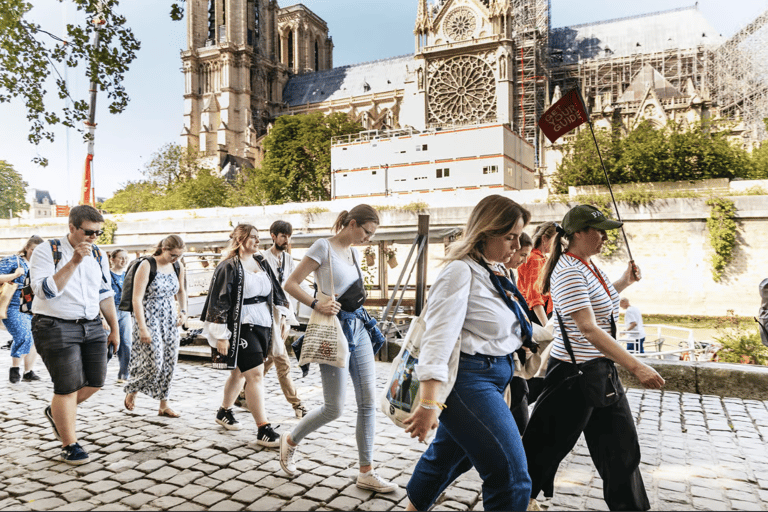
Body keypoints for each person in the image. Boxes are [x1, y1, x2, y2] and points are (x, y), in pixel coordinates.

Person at [523, 204, 665, 511]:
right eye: (598, 231)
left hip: (600, 370)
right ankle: (518, 499)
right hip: (573, 376)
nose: (604, 237)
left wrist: (624, 281)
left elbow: (598, 302)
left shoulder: (587, 264)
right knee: (542, 449)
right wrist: (636, 366)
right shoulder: (569, 272)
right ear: (578, 234)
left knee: (622, 451)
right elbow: (587, 327)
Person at [403, 195, 534, 511]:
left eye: (518, 237)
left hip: (495, 376)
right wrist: (429, 402)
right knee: (510, 476)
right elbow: (438, 338)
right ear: (486, 232)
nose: (517, 246)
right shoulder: (460, 271)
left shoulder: (495, 271)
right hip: (469, 381)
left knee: (448, 458)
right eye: (510, 237)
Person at [281, 204, 397, 493]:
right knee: (334, 408)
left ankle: (366, 471)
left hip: (358, 327)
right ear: (353, 223)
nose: (368, 239)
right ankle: (291, 440)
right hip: (333, 332)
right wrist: (315, 303)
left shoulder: (354, 253)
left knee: (368, 401)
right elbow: (291, 283)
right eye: (367, 232)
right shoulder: (323, 247)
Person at [29, 205, 119, 464]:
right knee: (67, 387)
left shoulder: (99, 254)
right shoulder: (48, 251)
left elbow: (105, 292)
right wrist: (74, 261)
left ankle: (56, 412)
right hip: (55, 325)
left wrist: (115, 328)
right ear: (72, 228)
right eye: (89, 232)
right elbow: (44, 292)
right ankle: (70, 444)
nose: (94, 238)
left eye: (99, 233)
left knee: (96, 381)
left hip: (92, 325)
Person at [201, 224, 289, 446]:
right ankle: (263, 429)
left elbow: (276, 291)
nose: (258, 241)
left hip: (263, 324)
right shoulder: (228, 266)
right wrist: (221, 334)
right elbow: (218, 300)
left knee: (240, 373)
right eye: (253, 237)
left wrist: (284, 317)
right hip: (242, 326)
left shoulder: (261, 262)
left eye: (259, 237)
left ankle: (224, 411)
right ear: (240, 240)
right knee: (255, 375)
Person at [124, 235, 188, 418]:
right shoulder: (147, 265)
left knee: (169, 361)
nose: (176, 259)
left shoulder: (178, 266)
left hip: (169, 317)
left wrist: (183, 312)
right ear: (164, 249)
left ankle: (164, 404)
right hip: (148, 316)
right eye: (173, 255)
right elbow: (136, 298)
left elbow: (182, 291)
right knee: (155, 362)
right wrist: (142, 328)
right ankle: (133, 388)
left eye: (180, 255)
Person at [257, 220, 306, 418]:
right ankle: (297, 404)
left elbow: (290, 290)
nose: (286, 240)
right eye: (283, 236)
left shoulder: (288, 259)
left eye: (289, 236)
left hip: (282, 317)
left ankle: (242, 391)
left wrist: (286, 317)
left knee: (271, 358)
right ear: (273, 236)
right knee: (283, 361)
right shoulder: (261, 258)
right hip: (267, 315)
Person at [503, 232, 536, 434]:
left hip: (512, 358)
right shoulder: (493, 275)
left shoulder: (508, 274)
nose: (523, 260)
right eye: (522, 254)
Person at [0, 235, 43, 383]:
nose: (35, 254)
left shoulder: (40, 265)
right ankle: (15, 368)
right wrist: (15, 275)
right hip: (12, 306)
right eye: (33, 250)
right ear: (27, 248)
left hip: (33, 307)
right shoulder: (14, 260)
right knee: (24, 335)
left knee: (34, 338)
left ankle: (28, 372)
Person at [518, 221, 557, 326]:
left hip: (539, 312)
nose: (557, 244)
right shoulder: (535, 259)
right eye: (555, 240)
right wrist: (546, 326)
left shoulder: (542, 258)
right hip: (536, 314)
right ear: (544, 239)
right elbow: (534, 296)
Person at [109, 249, 133, 383]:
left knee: (126, 342)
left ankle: (124, 374)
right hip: (110, 310)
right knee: (107, 344)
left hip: (124, 311)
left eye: (126, 258)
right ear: (112, 259)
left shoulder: (127, 275)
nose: (124, 261)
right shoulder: (106, 275)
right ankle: (98, 373)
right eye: (120, 258)